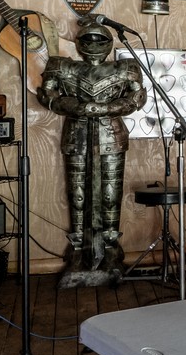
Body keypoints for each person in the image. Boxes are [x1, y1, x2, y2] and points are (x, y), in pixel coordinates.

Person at [38, 16, 146, 287]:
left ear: (109, 42)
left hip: (111, 134)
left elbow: (137, 98)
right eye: (88, 39)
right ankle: (78, 251)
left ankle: (110, 249)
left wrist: (104, 108)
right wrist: (77, 107)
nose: (94, 44)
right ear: (79, 42)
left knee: (110, 194)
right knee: (77, 195)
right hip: (77, 133)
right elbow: (47, 95)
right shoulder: (61, 65)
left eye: (100, 40)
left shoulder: (126, 67)